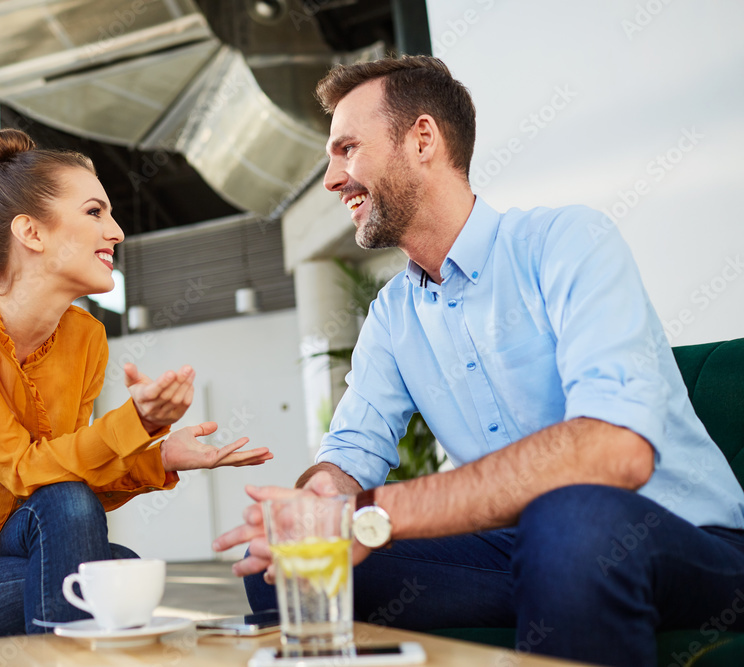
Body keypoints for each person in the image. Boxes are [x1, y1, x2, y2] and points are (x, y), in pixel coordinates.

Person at [214, 56, 744, 667]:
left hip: (681, 546)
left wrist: (371, 515)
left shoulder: (567, 243)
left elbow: (611, 452)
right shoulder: (393, 314)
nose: (332, 178)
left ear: (422, 140)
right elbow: (350, 454)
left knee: (569, 523)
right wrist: (315, 509)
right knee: (286, 569)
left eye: (348, 149)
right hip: (524, 556)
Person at [0, 128, 272, 649]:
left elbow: (64, 482)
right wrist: (135, 422)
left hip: (5, 562)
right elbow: (21, 466)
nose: (118, 232)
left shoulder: (86, 338)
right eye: (95, 212)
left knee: (87, 533)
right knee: (107, 573)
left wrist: (159, 454)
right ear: (31, 233)